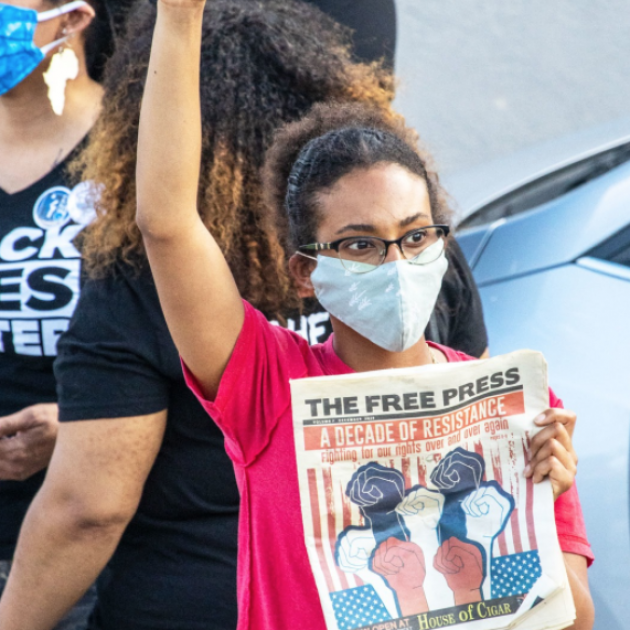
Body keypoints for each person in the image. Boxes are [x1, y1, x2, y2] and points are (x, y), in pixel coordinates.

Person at [129, 0, 595, 629]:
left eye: (414, 236)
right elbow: (166, 224)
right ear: (305, 273)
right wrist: (180, 18)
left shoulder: (515, 407)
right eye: (358, 244)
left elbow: (572, 620)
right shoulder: (268, 387)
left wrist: (549, 497)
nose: (394, 262)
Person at [0, 0, 116, 626]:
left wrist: (85, 430)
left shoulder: (138, 150)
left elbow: (209, 347)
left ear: (72, 19)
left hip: (95, 555)